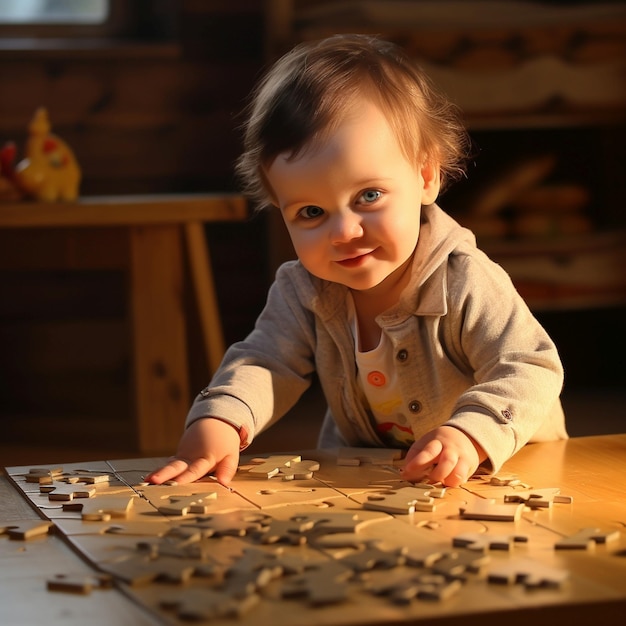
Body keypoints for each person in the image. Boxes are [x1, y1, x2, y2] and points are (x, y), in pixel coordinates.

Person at [147, 34, 567, 488]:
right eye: (311, 212)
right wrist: (222, 418)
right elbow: (266, 361)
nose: (344, 232)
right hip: (383, 479)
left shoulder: (463, 278)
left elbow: (530, 364)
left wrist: (471, 434)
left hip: (507, 470)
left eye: (368, 196)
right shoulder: (303, 289)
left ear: (426, 177)